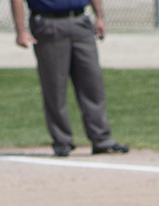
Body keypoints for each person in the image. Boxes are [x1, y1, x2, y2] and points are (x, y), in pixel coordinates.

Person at [10, 0, 129, 157]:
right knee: (55, 86)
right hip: (48, 22)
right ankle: (62, 140)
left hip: (80, 20)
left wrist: (99, 16)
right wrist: (20, 30)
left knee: (93, 84)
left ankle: (102, 139)